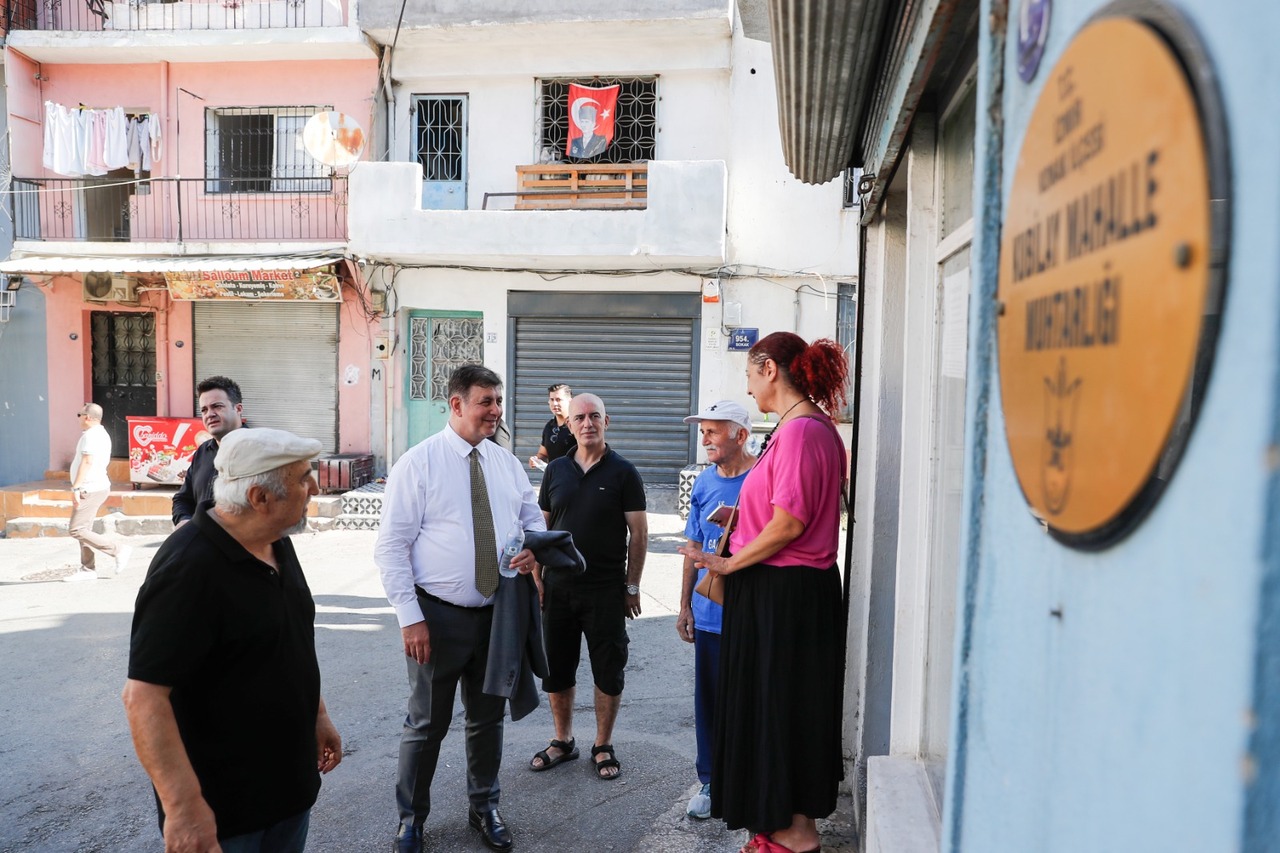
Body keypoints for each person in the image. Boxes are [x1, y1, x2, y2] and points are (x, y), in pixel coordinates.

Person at [122, 428, 343, 852]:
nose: (315, 488)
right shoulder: (188, 568)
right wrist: (183, 809)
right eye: (302, 479)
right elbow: (143, 698)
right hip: (226, 813)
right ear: (260, 498)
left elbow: (290, 640)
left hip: (289, 790)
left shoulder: (276, 541)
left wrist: (318, 715)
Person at [678, 332, 849, 853]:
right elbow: (782, 511)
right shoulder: (807, 428)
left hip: (783, 596)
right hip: (790, 594)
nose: (748, 388)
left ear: (769, 368)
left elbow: (791, 524)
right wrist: (742, 516)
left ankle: (793, 835)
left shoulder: (800, 432)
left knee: (780, 711)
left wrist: (727, 560)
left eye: (750, 375)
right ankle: (786, 828)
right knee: (785, 709)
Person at [375, 364, 545, 853]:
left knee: (486, 719)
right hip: (436, 617)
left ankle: (484, 807)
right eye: (485, 401)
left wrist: (532, 549)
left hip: (497, 617)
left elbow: (530, 523)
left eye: (497, 401)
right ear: (456, 405)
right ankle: (411, 820)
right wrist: (410, 617)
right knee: (426, 724)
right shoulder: (419, 463)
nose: (495, 411)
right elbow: (392, 547)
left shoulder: (506, 465)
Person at [531, 393, 647, 780]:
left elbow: (639, 533)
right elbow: (541, 529)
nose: (587, 423)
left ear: (606, 421)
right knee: (558, 669)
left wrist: (632, 586)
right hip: (558, 589)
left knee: (608, 670)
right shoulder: (556, 471)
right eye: (579, 417)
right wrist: (537, 580)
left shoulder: (624, 472)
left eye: (594, 416)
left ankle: (602, 743)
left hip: (605, 590)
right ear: (570, 424)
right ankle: (563, 741)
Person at [677, 400, 756, 820]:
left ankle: (746, 779)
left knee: (748, 700)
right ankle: (710, 781)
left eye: (713, 431)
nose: (704, 438)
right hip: (709, 614)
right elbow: (692, 549)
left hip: (751, 612)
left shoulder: (762, 478)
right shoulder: (705, 482)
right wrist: (684, 605)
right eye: (702, 431)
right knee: (708, 700)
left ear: (740, 435)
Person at [63, 402, 132, 582]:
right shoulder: (98, 434)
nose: (77, 418)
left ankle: (118, 550)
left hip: (89, 487)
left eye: (79, 414)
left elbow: (87, 462)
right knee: (84, 528)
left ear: (88, 417)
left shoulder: (91, 436)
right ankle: (88, 569)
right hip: (94, 486)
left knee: (76, 529)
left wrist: (76, 487)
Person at [172, 375, 245, 528]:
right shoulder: (202, 452)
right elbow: (183, 499)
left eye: (217, 406)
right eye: (204, 410)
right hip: (202, 545)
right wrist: (183, 522)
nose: (209, 414)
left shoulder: (260, 451)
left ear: (238, 409)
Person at [529, 383, 576, 470]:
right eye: (552, 399)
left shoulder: (577, 425)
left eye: (558, 400)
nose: (554, 403)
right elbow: (543, 454)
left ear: (570, 401)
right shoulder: (549, 427)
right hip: (554, 479)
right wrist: (536, 460)